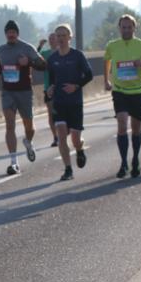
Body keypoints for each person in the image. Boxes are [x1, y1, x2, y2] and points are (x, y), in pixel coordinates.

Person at [103, 14, 141, 178]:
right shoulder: (112, 45)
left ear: (134, 28)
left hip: (138, 92)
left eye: (129, 27)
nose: (126, 30)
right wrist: (106, 80)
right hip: (119, 91)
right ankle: (123, 162)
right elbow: (106, 60)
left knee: (136, 128)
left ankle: (135, 159)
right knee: (121, 124)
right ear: (119, 28)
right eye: (123, 27)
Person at [0, 20, 47, 175]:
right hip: (8, 92)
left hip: (24, 92)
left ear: (17, 33)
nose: (11, 35)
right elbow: (0, 64)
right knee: (9, 125)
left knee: (29, 126)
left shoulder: (27, 48)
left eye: (13, 32)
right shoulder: (1, 49)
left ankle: (28, 141)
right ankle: (14, 162)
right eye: (8, 32)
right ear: (5, 34)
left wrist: (28, 62)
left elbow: (43, 65)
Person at [45, 24, 92, 181]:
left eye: (63, 35)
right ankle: (68, 169)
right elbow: (52, 80)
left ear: (70, 37)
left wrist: (76, 86)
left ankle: (79, 150)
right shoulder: (52, 59)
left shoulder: (77, 55)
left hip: (75, 102)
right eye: (58, 36)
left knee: (75, 139)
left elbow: (89, 75)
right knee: (61, 135)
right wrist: (50, 89)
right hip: (59, 102)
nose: (60, 39)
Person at [40, 33, 58, 146]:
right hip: (48, 87)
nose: (51, 40)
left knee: (62, 112)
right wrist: (40, 46)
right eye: (50, 39)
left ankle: (63, 133)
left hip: (61, 88)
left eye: (53, 38)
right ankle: (55, 137)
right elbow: (35, 58)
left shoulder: (63, 52)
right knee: (51, 114)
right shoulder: (45, 53)